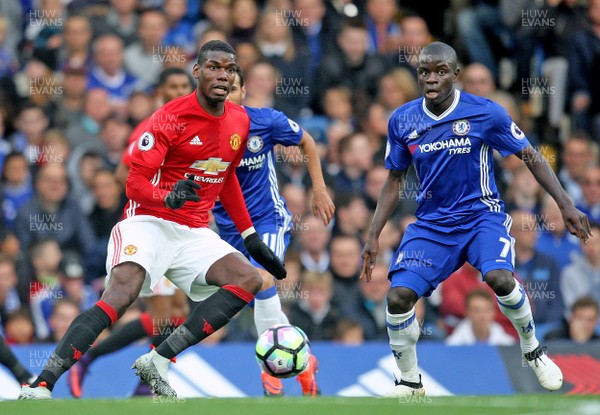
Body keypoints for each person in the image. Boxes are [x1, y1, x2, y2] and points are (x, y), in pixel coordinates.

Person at [18, 40, 286, 400]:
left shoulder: (240, 120)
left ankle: (158, 361)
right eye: (213, 67)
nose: (222, 75)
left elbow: (227, 177)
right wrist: (167, 196)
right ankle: (43, 383)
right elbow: (133, 183)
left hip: (192, 230)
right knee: (122, 293)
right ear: (197, 71)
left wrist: (250, 235)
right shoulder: (169, 118)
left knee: (247, 279)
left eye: (229, 68)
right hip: (148, 221)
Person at [362, 42, 590, 397]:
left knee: (499, 278)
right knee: (398, 298)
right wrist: (373, 234)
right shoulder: (403, 120)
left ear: (456, 75)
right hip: (433, 225)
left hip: (481, 216)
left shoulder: (486, 113)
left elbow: (531, 155)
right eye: (425, 71)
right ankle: (409, 382)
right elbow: (395, 179)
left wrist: (565, 204)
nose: (432, 78)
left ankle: (532, 349)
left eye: (440, 71)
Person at [213, 67, 334, 396]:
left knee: (262, 280)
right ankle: (304, 361)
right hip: (225, 229)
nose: (226, 95)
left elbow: (306, 140)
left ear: (244, 91)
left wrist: (318, 189)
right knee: (254, 296)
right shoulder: (202, 131)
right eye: (220, 89)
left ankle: (272, 373)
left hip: (267, 219)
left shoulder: (265, 121)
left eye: (233, 88)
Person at [446, 288, 515, 346]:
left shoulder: (507, 344)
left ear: (493, 312)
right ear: (467, 312)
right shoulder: (453, 345)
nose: (482, 316)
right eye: (477, 310)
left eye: (487, 310)